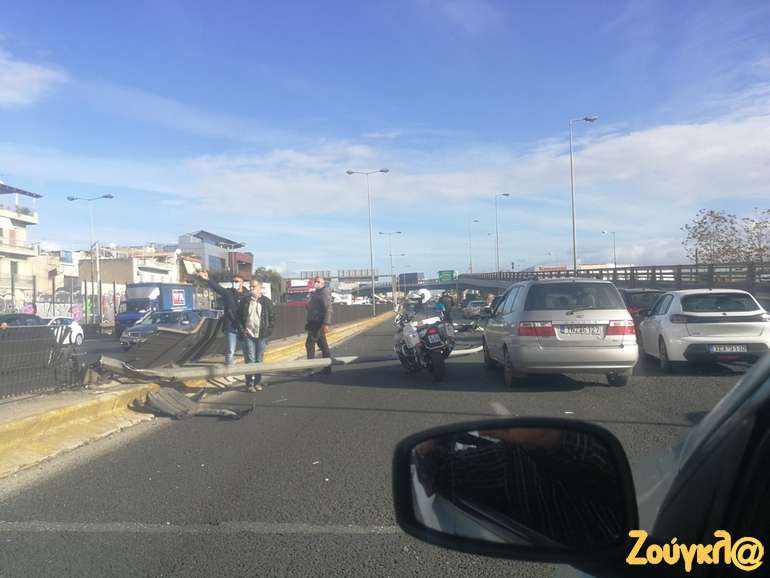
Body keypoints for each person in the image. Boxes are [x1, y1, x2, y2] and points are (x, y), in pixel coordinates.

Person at [195, 271, 246, 366]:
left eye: (237, 281)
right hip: (230, 326)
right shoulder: (228, 293)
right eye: (233, 281)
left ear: (242, 283)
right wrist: (207, 279)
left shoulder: (247, 295)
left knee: (247, 350)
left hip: (244, 327)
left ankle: (250, 370)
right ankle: (230, 368)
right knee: (230, 351)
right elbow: (217, 288)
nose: (234, 283)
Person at [237, 279, 275, 391]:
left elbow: (272, 317)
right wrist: (242, 330)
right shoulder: (245, 301)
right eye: (250, 286)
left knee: (259, 359)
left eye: (253, 286)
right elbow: (238, 317)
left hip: (262, 335)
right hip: (248, 334)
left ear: (260, 287)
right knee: (250, 359)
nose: (251, 288)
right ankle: (249, 383)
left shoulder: (266, 302)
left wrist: (268, 331)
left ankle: (257, 382)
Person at [305, 275, 333, 374]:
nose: (316, 283)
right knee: (323, 345)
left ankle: (310, 368)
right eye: (315, 281)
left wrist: (326, 323)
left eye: (318, 282)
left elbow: (328, 308)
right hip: (314, 321)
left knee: (309, 344)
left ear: (323, 283)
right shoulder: (316, 292)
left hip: (318, 322)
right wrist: (309, 306)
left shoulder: (324, 293)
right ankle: (327, 367)